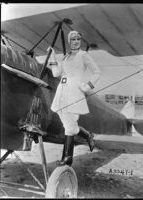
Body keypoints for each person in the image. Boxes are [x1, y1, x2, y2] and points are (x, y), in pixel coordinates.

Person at [46, 30, 101, 166]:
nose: (76, 41)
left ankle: (68, 158)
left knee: (69, 125)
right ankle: (88, 135)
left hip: (74, 92)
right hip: (61, 92)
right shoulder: (66, 57)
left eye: (78, 39)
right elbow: (56, 73)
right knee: (68, 124)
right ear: (69, 42)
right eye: (73, 39)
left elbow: (97, 72)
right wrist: (53, 57)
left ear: (80, 41)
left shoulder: (83, 55)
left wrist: (86, 86)